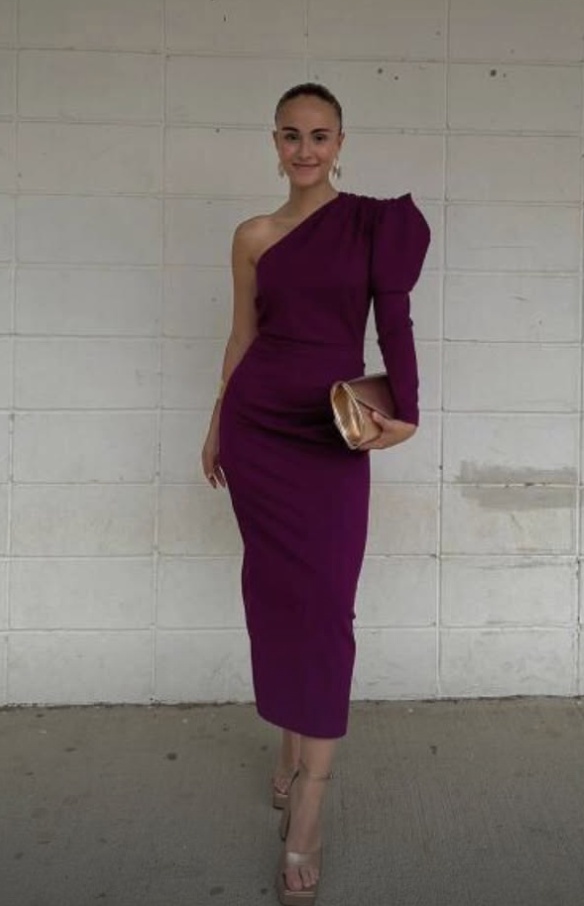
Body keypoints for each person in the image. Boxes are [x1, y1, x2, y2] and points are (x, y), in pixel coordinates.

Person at [201, 83, 430, 905]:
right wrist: (217, 421)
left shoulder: (372, 225)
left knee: (326, 604)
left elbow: (394, 321)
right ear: (274, 142)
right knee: (274, 595)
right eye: (291, 135)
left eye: (320, 135)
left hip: (330, 434)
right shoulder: (253, 235)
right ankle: (289, 744)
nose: (305, 149)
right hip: (258, 428)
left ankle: (309, 811)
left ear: (341, 143)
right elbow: (242, 336)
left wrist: (407, 411)